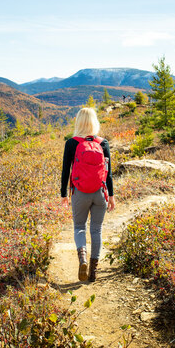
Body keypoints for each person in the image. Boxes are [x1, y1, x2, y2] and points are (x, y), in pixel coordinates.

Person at [61, 107, 115, 282]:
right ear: (95, 121)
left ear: (78, 122)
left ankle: (82, 258)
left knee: (79, 227)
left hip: (80, 193)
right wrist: (112, 196)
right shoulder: (103, 143)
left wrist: (64, 195)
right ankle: (93, 271)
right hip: (100, 194)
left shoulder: (71, 143)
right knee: (96, 230)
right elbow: (109, 173)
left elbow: (65, 171)